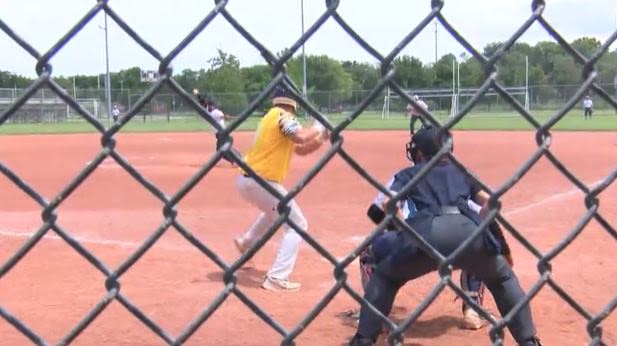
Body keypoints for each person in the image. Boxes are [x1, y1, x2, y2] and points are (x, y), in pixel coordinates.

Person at [349, 126, 541, 346]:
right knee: (502, 278)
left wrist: (406, 230)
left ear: (419, 153)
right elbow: (491, 203)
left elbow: (387, 204)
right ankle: (528, 341)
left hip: (426, 235)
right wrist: (485, 233)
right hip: (468, 233)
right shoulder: (462, 172)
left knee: (385, 277)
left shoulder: (410, 173)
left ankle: (364, 339)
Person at [234, 88, 329, 292]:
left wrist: (321, 138)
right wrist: (318, 126)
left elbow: (301, 149)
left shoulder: (270, 117)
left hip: (249, 180)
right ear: (293, 102)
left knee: (274, 213)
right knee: (297, 224)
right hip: (262, 181)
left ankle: (246, 242)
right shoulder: (282, 116)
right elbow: (301, 137)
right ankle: (277, 277)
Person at [193, 89, 237, 166]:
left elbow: (225, 117)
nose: (209, 106)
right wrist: (197, 94)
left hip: (222, 133)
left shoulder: (216, 112)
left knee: (221, 150)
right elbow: (202, 102)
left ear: (213, 106)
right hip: (219, 134)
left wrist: (235, 118)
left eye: (211, 105)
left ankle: (236, 160)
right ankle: (236, 159)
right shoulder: (208, 110)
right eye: (209, 105)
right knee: (223, 149)